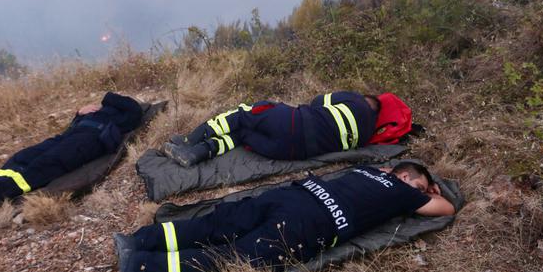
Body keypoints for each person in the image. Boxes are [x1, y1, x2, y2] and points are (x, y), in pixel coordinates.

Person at [107, 161, 455, 272]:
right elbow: (446, 209)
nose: (422, 194)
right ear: (405, 176)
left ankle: (139, 240)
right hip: (311, 221)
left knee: (215, 225)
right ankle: (139, 271)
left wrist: (411, 179)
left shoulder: (366, 170)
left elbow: (389, 172)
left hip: (293, 196)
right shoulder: (402, 190)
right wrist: (432, 191)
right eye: (420, 185)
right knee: (237, 261)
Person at [0, 92, 146, 219]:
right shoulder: (94, 112)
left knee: (44, 165)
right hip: (69, 136)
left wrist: (105, 99)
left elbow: (132, 107)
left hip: (89, 142)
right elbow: (74, 125)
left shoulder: (126, 114)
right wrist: (79, 112)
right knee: (22, 157)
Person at [161, 91, 411, 166]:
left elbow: (317, 102)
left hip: (293, 122)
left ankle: (188, 140)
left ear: (370, 100)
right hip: (286, 151)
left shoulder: (355, 100)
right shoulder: (367, 137)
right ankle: (197, 153)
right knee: (241, 136)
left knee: (241, 116)